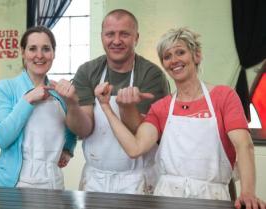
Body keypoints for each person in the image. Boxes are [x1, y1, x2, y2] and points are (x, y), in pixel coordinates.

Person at [95, 27, 266, 208]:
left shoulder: (224, 97)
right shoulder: (162, 107)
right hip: (167, 197)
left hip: (212, 197)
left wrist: (247, 192)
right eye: (167, 56)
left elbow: (244, 144)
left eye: (180, 52)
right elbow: (135, 147)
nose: (174, 60)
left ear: (196, 56)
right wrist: (107, 107)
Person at [52, 9, 169, 194]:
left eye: (124, 34)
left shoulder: (151, 75)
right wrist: (72, 104)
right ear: (101, 37)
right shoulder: (88, 71)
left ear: (136, 37)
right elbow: (84, 129)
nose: (116, 41)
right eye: (110, 34)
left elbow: (143, 138)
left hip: (138, 179)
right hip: (96, 179)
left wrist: (127, 108)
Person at [0, 26, 76, 189]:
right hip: (15, 186)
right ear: (23, 52)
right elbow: (2, 138)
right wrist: (28, 99)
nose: (39, 55)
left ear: (54, 53)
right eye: (32, 49)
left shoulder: (59, 92)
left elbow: (71, 126)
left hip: (53, 184)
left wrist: (68, 149)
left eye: (46, 49)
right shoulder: (7, 88)